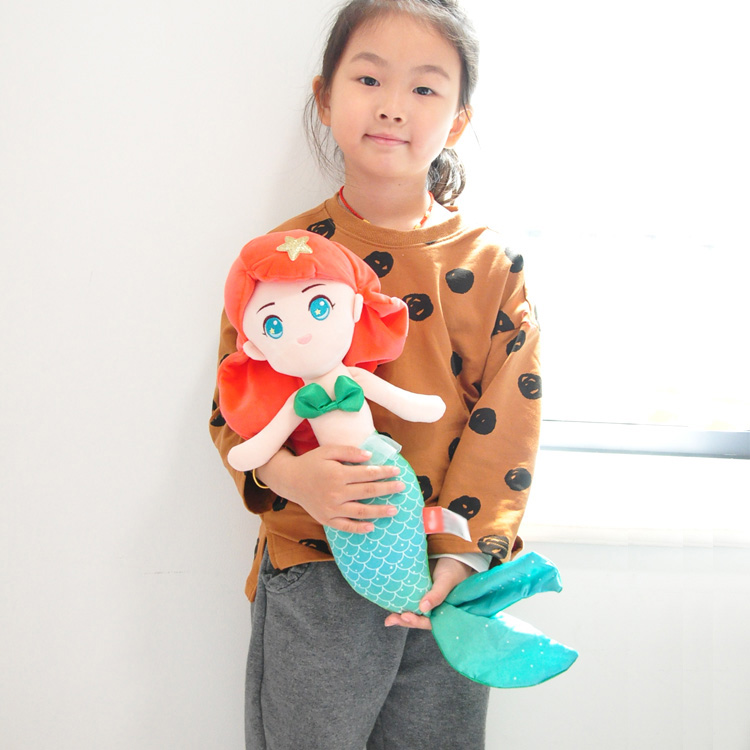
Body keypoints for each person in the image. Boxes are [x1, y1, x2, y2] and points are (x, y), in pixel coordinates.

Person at [209, 1, 542, 747]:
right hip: (315, 569)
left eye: (425, 87)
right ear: (325, 97)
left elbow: (508, 425)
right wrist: (297, 479)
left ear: (458, 119)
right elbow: (234, 411)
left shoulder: (492, 266)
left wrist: (461, 556)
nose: (394, 106)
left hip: (447, 576)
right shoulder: (276, 260)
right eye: (369, 79)